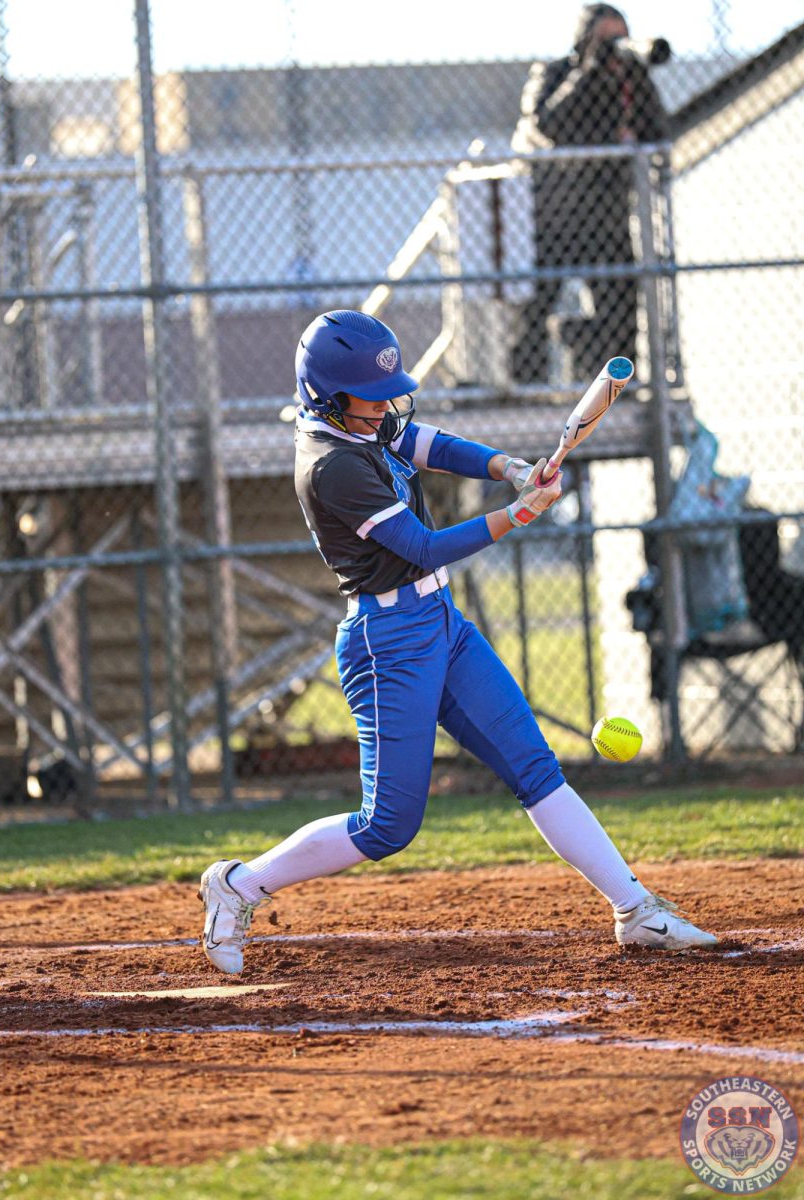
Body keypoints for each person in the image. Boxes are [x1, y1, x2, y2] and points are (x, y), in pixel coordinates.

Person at [199, 309, 716, 973]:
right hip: (387, 643)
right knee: (387, 826)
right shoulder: (331, 467)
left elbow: (429, 444)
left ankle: (636, 911)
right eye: (370, 394)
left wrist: (506, 467)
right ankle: (237, 885)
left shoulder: (362, 417)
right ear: (328, 397)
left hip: (440, 623)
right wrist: (518, 513)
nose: (386, 405)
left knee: (534, 768)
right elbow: (419, 546)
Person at [509, 3, 669, 383]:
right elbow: (548, 123)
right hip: (556, 215)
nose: (616, 47)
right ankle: (526, 388)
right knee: (535, 309)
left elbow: (659, 132)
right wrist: (591, 70)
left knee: (621, 308)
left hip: (609, 215)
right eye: (606, 39)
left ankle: (619, 387)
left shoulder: (631, 79)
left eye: (620, 38)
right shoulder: (556, 72)